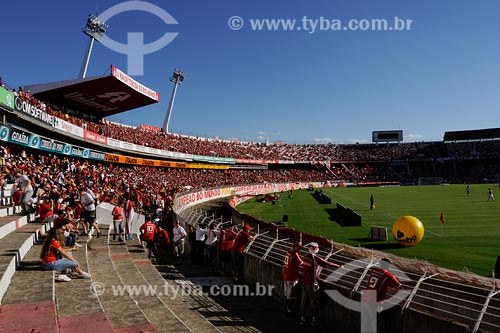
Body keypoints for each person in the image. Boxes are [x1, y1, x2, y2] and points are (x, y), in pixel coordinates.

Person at [300, 242, 341, 327]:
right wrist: (339, 266)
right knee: (313, 303)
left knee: (303, 302)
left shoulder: (305, 257)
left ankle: (303, 319)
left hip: (304, 283)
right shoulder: (316, 258)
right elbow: (327, 264)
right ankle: (314, 320)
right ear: (316, 249)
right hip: (312, 284)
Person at [362, 258, 402, 332]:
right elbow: (400, 287)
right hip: (375, 302)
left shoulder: (373, 270)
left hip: (366, 298)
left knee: (367, 323)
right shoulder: (388, 275)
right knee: (377, 325)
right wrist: (389, 288)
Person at [283, 241, 303, 314]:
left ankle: (287, 307)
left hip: (286, 275)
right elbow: (302, 263)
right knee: (290, 295)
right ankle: (289, 310)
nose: (300, 249)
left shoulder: (288, 251)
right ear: (296, 247)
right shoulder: (295, 254)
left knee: (286, 294)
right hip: (292, 277)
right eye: (299, 248)